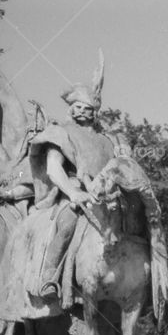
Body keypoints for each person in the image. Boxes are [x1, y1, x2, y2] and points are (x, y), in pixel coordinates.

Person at [27, 54, 125, 301]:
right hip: (73, 192)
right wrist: (74, 192)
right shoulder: (62, 133)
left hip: (107, 194)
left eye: (87, 108)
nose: (82, 111)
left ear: (95, 112)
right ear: (71, 108)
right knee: (68, 220)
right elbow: (53, 168)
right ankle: (49, 276)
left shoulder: (107, 140)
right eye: (78, 107)